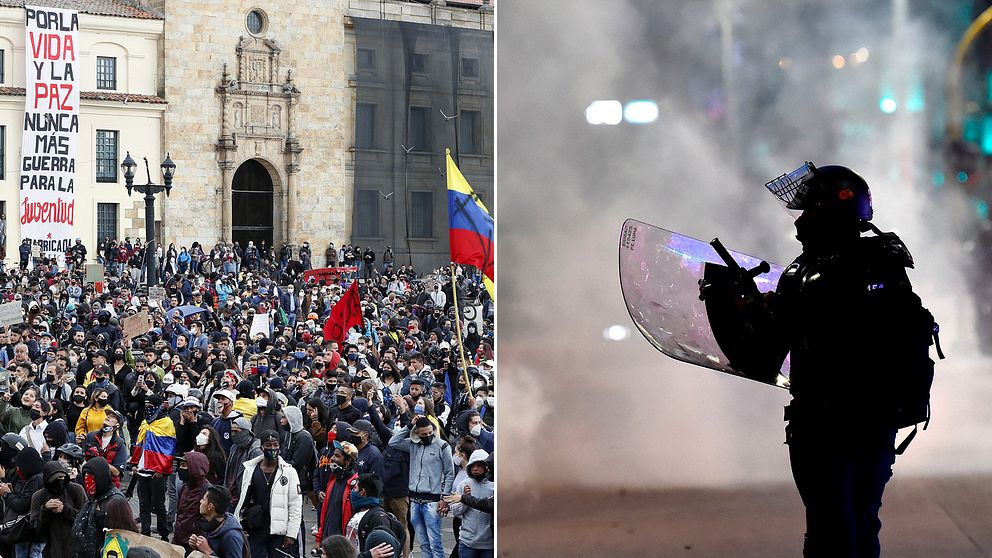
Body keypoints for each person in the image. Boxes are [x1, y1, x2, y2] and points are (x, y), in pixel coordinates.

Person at [706, 163, 936, 557]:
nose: (801, 219)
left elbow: (760, 356)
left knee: (830, 533)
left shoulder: (807, 275)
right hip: (880, 423)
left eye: (808, 209)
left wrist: (733, 306)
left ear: (829, 212)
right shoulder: (886, 261)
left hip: (825, 429)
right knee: (863, 525)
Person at [387, 416, 453, 558]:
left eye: (430, 433)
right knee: (423, 543)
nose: (428, 436)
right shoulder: (413, 444)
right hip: (415, 500)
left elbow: (449, 473)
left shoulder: (442, 446)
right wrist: (409, 426)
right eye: (424, 434)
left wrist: (445, 498)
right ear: (417, 433)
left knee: (435, 543)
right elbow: (393, 442)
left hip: (432, 501)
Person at [233, 429, 303, 558]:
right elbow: (243, 499)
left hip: (278, 531)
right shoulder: (250, 469)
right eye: (268, 445)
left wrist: (291, 533)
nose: (272, 448)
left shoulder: (289, 472)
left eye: (275, 445)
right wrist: (239, 521)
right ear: (261, 447)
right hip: (256, 528)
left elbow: (295, 504)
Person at [130, 393, 177, 540]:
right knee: (143, 504)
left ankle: (163, 534)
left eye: (151, 407)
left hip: (157, 471)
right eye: (146, 406)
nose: (148, 409)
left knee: (159, 505)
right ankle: (145, 532)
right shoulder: (145, 422)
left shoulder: (167, 423)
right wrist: (134, 463)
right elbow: (139, 444)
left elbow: (169, 450)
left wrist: (161, 470)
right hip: (142, 469)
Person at [30, 461, 87, 558]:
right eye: (54, 479)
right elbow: (35, 528)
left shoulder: (76, 490)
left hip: (75, 550)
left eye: (61, 477)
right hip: (51, 551)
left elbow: (86, 518)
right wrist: (45, 511)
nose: (59, 481)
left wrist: (65, 509)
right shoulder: (39, 496)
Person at [447, 450, 493, 558]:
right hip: (467, 541)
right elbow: (455, 511)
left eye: (479, 465)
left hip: (488, 544)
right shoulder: (464, 484)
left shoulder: (494, 486)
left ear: (486, 467)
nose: (475, 469)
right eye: (473, 466)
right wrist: (465, 501)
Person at [315, 441, 359, 544]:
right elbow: (324, 513)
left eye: (337, 456)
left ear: (347, 462)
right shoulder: (332, 480)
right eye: (333, 455)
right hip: (327, 541)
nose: (332, 459)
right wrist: (319, 539)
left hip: (343, 545)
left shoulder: (355, 486)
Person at [188, 485, 246, 558]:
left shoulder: (231, 536)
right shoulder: (211, 525)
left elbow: (209, 551)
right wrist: (198, 546)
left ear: (210, 506)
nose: (200, 501)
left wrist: (208, 551)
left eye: (203, 499)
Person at [172, 451, 212, 552]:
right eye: (180, 465)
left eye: (184, 465)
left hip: (195, 545)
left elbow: (209, 521)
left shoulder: (208, 491)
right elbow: (180, 515)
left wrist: (198, 542)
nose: (181, 469)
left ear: (195, 468)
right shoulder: (185, 487)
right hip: (180, 542)